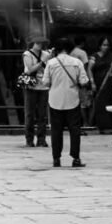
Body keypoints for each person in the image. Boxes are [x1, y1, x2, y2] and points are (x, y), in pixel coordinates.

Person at [42, 37, 89, 168]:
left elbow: (45, 82)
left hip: (55, 100)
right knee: (75, 130)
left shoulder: (50, 63)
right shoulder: (77, 62)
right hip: (72, 99)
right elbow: (84, 81)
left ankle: (56, 158)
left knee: (56, 130)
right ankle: (76, 158)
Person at [21, 37, 50, 148]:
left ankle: (41, 139)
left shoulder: (46, 53)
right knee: (30, 114)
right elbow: (29, 70)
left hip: (43, 86)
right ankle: (29, 139)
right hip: (31, 86)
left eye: (41, 43)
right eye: (37, 43)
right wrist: (43, 61)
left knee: (42, 115)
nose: (39, 45)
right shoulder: (27, 54)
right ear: (32, 43)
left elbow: (49, 68)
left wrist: (49, 58)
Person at [88, 37, 112, 132]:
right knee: (100, 105)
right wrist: (92, 82)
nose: (106, 47)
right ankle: (102, 127)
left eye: (107, 45)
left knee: (111, 105)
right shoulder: (94, 57)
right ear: (100, 46)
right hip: (99, 83)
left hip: (109, 84)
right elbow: (89, 69)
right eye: (104, 45)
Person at [70, 37, 93, 127]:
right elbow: (86, 66)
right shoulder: (82, 53)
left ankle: (79, 122)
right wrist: (88, 80)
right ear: (83, 43)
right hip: (82, 80)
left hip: (72, 80)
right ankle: (86, 123)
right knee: (85, 103)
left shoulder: (71, 53)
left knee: (77, 102)